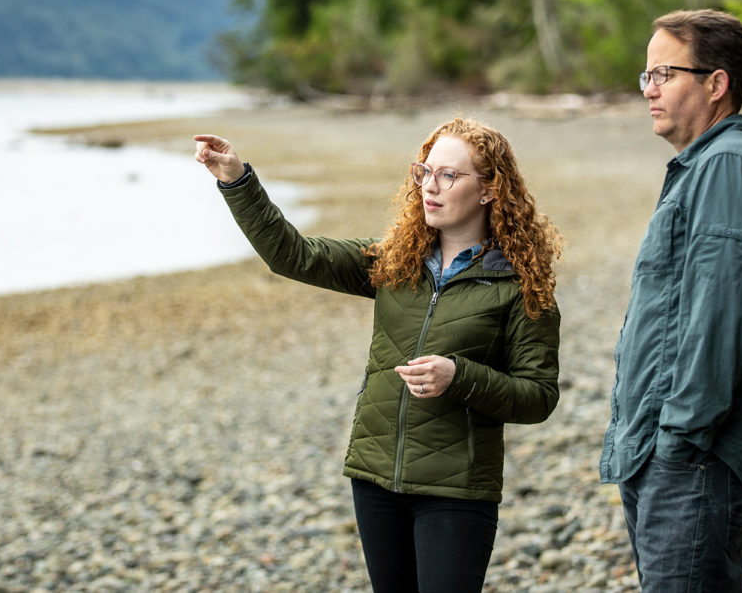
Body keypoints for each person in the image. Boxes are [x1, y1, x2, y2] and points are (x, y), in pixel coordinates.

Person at [195, 117, 562, 592]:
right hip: (374, 478)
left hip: (455, 490)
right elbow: (292, 255)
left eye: (449, 175)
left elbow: (538, 396)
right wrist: (237, 180)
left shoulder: (522, 287)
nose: (431, 186)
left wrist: (460, 376)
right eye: (424, 172)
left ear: (490, 189)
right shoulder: (395, 262)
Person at [600, 9, 742, 591]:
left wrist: (678, 445)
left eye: (664, 73)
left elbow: (718, 320)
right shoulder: (702, 169)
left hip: (693, 462)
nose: (650, 90)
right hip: (669, 456)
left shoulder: (729, 169)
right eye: (646, 76)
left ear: (717, 84)